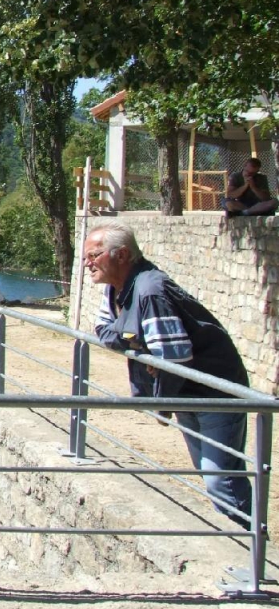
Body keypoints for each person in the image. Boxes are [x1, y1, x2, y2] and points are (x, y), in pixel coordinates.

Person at [84, 221, 253, 528]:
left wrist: (160, 399)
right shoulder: (118, 290)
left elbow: (175, 357)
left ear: (121, 255)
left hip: (214, 392)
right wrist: (140, 343)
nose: (86, 263)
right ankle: (247, 551)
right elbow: (102, 331)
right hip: (188, 392)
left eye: (94, 255)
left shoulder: (149, 291)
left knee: (221, 479)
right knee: (211, 473)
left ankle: (255, 558)